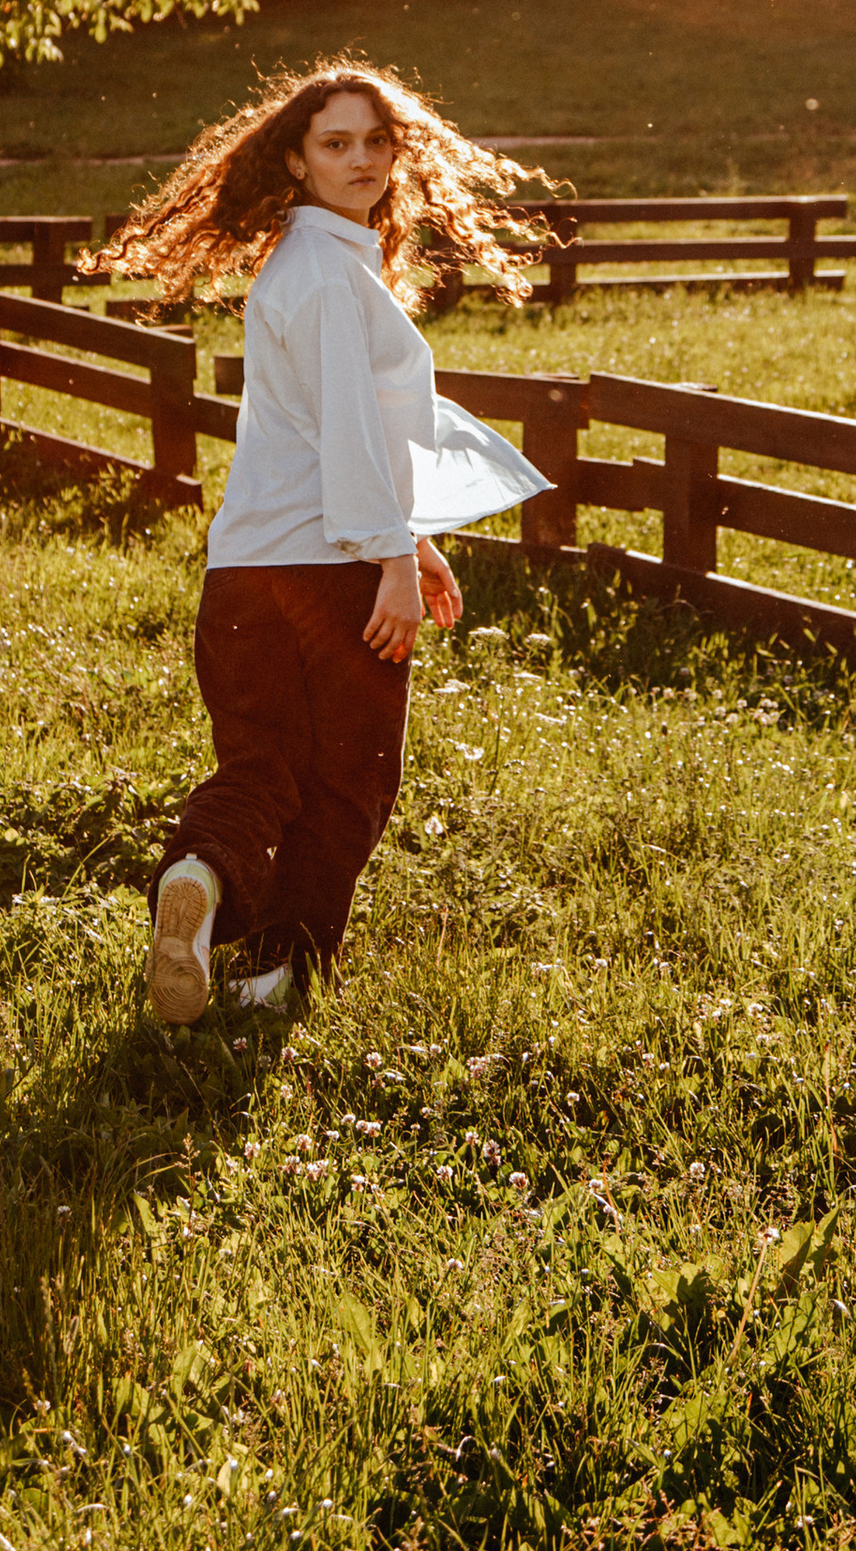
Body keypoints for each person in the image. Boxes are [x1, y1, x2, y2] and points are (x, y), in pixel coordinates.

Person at [93, 65, 550, 1025]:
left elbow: (323, 433)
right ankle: (271, 981)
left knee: (260, 769)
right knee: (350, 783)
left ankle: (199, 875)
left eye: (376, 141)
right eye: (336, 143)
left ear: (398, 152)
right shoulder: (334, 275)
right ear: (294, 158)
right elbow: (348, 428)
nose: (362, 160)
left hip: (243, 575)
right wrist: (391, 563)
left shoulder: (294, 266)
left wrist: (410, 539)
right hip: (331, 574)